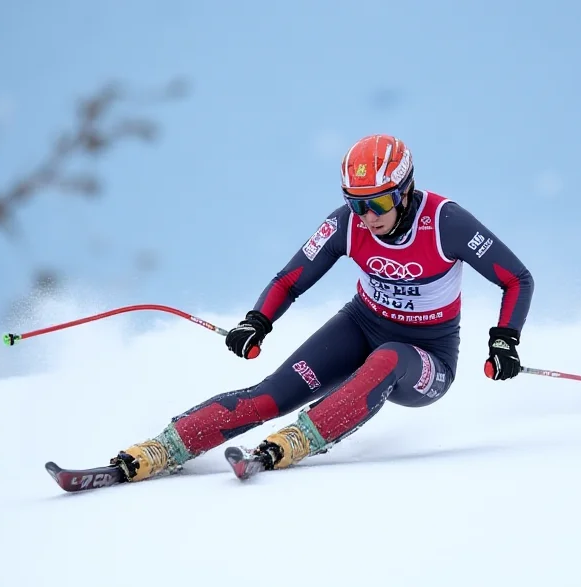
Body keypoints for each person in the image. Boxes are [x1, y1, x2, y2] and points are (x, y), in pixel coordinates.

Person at [110, 134, 535, 482]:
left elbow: (517, 278)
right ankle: (159, 449)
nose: (368, 216)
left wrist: (505, 341)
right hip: (361, 326)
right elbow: (290, 279)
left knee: (388, 359)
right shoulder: (346, 224)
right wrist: (257, 322)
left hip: (427, 358)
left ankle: (298, 440)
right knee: (272, 395)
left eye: (379, 203)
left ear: (404, 192)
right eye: (357, 202)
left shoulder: (445, 221)